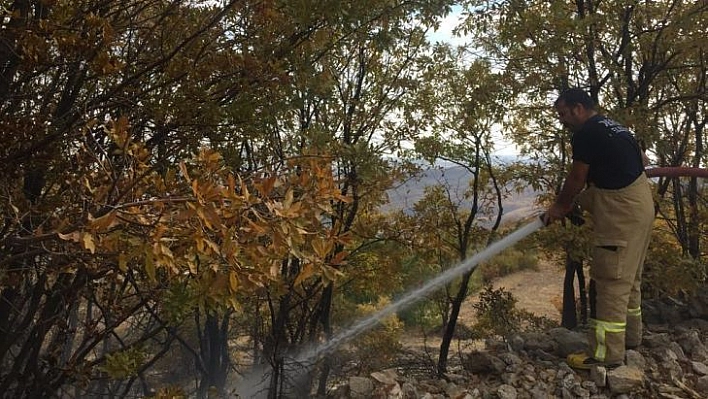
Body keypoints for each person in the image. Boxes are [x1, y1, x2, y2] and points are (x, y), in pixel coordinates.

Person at [543, 88, 654, 369]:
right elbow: (643, 161)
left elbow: (577, 177)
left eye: (563, 114)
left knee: (610, 281)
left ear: (578, 108)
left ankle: (605, 356)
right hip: (641, 205)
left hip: (620, 215)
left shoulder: (586, 134)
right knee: (630, 278)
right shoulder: (614, 126)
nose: (562, 121)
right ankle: (630, 338)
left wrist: (560, 206)